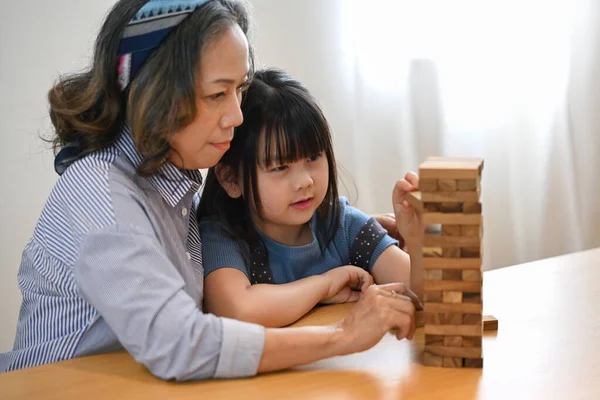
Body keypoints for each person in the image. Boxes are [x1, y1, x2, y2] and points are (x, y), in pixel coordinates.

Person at [0, 0, 422, 381]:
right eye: (218, 94)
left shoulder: (174, 179)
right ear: (156, 93)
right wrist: (343, 335)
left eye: (239, 89)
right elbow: (183, 344)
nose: (237, 115)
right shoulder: (100, 191)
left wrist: (379, 234)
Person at [198, 68, 425, 328]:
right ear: (232, 180)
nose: (305, 181)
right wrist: (326, 285)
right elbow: (236, 310)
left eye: (313, 158)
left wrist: (417, 241)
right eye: (280, 167)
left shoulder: (343, 224)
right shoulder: (223, 235)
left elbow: (420, 294)